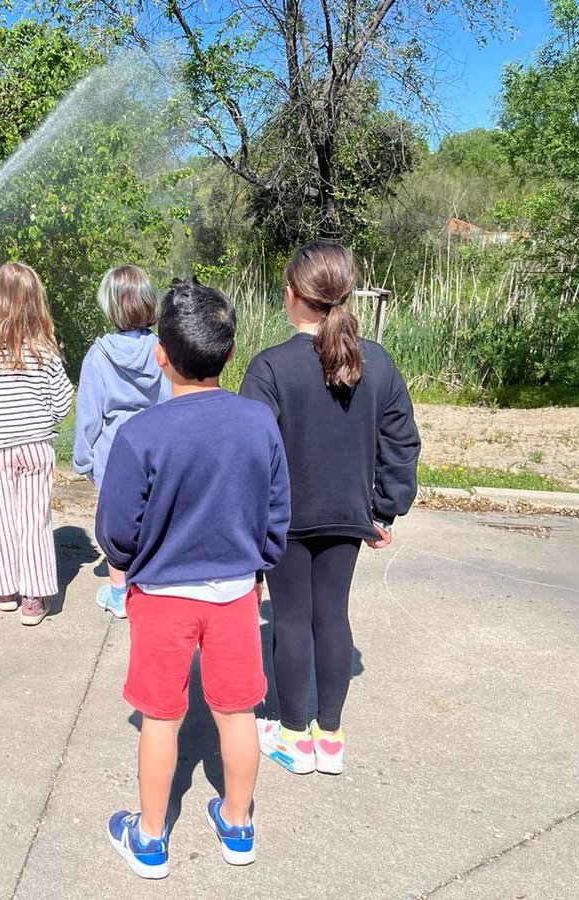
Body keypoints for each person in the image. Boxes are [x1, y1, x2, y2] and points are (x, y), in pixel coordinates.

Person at [96, 279, 290, 879]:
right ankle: (238, 825)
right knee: (237, 712)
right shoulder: (258, 422)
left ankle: (151, 837)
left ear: (161, 353)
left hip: (160, 597)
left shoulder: (141, 435)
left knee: (162, 717)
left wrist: (132, 560)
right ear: (229, 353)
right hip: (235, 593)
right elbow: (277, 511)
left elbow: (115, 532)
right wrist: (259, 560)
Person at [239, 240, 420, 776]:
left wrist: (247, 531)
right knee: (332, 615)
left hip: (285, 520)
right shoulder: (378, 362)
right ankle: (331, 739)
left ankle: (294, 736)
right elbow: (402, 443)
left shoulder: (269, 368)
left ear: (292, 295)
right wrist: (385, 510)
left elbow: (250, 456)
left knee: (291, 620)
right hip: (349, 516)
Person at [0, 262, 73, 627]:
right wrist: (45, 423)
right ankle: (34, 598)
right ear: (36, 303)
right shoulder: (47, 352)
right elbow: (63, 401)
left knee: (3, 520)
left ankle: (4, 589)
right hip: (37, 447)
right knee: (36, 521)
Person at [72, 265, 170, 619]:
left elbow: (89, 416)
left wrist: (82, 460)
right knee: (154, 521)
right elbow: (171, 401)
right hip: (156, 453)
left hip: (113, 457)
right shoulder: (164, 350)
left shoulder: (98, 356)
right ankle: (150, 586)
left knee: (116, 527)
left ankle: (119, 593)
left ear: (109, 306)